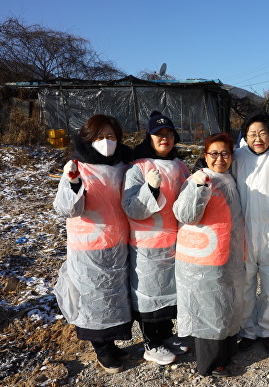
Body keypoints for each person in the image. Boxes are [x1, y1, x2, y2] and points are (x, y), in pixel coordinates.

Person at [53, 114, 133, 374]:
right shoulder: (78, 166)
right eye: (99, 137)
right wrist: (74, 182)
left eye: (111, 136)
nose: (106, 142)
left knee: (114, 294)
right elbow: (66, 208)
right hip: (89, 245)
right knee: (95, 297)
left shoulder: (122, 164)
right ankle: (102, 348)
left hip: (118, 240)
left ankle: (112, 342)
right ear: (87, 138)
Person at [172, 133, 245, 377]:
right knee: (208, 309)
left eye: (224, 153)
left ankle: (226, 353)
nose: (219, 158)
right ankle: (210, 364)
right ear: (205, 156)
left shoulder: (228, 179)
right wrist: (199, 187)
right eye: (214, 153)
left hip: (226, 254)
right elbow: (185, 214)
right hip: (202, 259)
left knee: (225, 304)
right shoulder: (198, 179)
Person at [121, 111, 190, 366]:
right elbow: (131, 207)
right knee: (151, 293)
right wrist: (149, 189)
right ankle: (151, 343)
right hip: (147, 243)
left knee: (170, 290)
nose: (165, 138)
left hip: (175, 240)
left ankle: (166, 335)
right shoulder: (138, 167)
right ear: (149, 137)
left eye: (169, 134)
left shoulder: (180, 166)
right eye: (159, 134)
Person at [231, 111, 269, 353]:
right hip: (244, 229)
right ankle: (247, 330)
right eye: (252, 133)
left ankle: (268, 330)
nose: (258, 138)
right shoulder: (238, 157)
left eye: (262, 133)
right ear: (245, 136)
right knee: (244, 284)